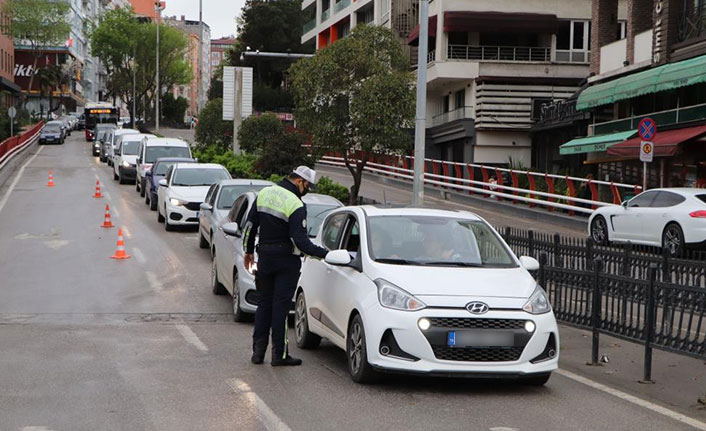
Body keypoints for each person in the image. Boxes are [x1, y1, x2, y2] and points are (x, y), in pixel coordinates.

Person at [243, 166, 328, 366]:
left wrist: (248, 251)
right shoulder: (296, 204)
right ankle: (279, 355)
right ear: (300, 181)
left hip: (264, 257)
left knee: (264, 304)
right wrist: (325, 254)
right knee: (280, 308)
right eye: (308, 186)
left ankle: (257, 353)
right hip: (286, 261)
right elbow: (300, 242)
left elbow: (249, 226)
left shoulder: (264, 193)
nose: (307, 190)